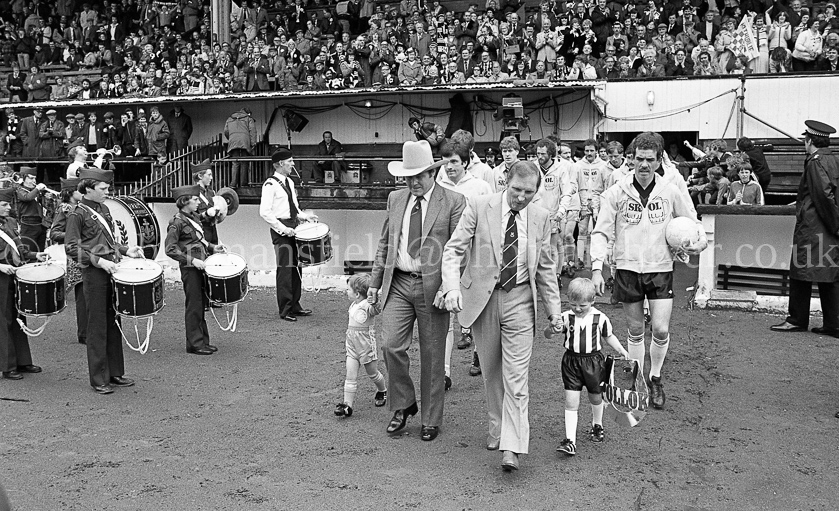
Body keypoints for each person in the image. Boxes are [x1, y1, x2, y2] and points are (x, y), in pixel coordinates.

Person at [442, 160, 562, 471]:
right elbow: (454, 250)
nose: (522, 197)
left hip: (521, 299)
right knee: (492, 371)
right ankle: (496, 426)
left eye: (529, 192)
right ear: (504, 183)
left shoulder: (541, 217)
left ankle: (513, 445)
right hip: (483, 299)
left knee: (517, 377)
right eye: (516, 190)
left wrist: (554, 310)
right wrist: (452, 287)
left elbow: (547, 267)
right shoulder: (479, 206)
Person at [591, 132, 707, 410]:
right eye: (639, 159)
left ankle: (656, 377)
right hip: (628, 269)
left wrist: (695, 244)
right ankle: (639, 378)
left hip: (660, 268)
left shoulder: (670, 190)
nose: (644, 165)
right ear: (631, 159)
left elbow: (692, 223)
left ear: (658, 161)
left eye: (650, 160)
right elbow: (601, 232)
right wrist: (597, 268)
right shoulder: (616, 192)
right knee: (634, 329)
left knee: (660, 328)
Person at [368, 140, 465, 442]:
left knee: (433, 354)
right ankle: (404, 404)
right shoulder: (396, 199)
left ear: (432, 174)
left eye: (419, 176)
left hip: (433, 288)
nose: (413, 182)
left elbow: (460, 250)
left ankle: (431, 418)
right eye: (408, 176)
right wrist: (373, 284)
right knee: (390, 345)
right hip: (397, 283)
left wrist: (450, 287)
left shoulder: (454, 201)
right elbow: (386, 242)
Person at [65, 167, 145, 394]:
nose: (107, 192)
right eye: (103, 188)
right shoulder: (76, 214)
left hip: (112, 269)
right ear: (88, 189)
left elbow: (108, 241)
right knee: (97, 325)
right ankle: (99, 378)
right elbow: (71, 247)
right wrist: (99, 262)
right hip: (95, 273)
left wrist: (126, 250)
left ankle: (115, 372)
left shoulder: (104, 208)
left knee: (114, 322)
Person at [771, 121, 839, 342]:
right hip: (827, 227)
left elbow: (822, 196)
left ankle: (796, 320)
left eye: (805, 139)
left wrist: (835, 224)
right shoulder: (833, 160)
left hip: (814, 225)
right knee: (830, 275)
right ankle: (833, 324)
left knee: (801, 271)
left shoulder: (815, 163)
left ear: (810, 141)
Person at [436, 139, 492, 390]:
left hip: (475, 254)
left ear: (466, 162)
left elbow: (491, 218)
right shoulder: (437, 186)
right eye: (446, 163)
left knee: (477, 308)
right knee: (446, 310)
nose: (449, 167)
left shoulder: (480, 186)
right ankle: (444, 371)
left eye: (454, 162)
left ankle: (479, 353)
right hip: (447, 254)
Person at [555, 278, 629, 456]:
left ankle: (597, 424)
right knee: (571, 401)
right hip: (571, 362)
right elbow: (550, 333)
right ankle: (570, 440)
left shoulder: (600, 318)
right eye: (573, 304)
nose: (578, 309)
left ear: (593, 301)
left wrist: (621, 350)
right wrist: (552, 328)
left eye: (583, 305)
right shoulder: (566, 317)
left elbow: (608, 336)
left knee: (596, 397)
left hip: (594, 362)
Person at [165, 184, 227, 355]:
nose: (198, 201)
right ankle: (194, 343)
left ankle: (202, 341)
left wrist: (214, 248)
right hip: (190, 268)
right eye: (194, 199)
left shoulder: (194, 217)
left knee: (201, 303)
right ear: (185, 201)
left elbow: (200, 240)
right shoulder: (176, 222)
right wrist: (192, 261)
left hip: (201, 263)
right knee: (194, 304)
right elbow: (170, 249)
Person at [259, 148, 316, 321]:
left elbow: (294, 207)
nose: (293, 164)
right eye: (290, 161)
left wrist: (305, 217)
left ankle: (295, 305)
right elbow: (265, 212)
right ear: (280, 164)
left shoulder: (289, 182)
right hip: (281, 229)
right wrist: (283, 229)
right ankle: (285, 309)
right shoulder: (270, 185)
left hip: (294, 226)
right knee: (285, 269)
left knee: (296, 267)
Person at [0, 186, 48, 380]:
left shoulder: (11, 222)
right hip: (1, 276)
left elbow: (20, 249)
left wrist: (37, 254)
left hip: (15, 274)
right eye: (3, 205)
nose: (8, 208)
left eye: (8, 204)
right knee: (3, 320)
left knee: (19, 317)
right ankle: (7, 365)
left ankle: (23, 360)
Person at [334, 273, 388, 417]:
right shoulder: (354, 304)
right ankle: (347, 405)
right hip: (352, 346)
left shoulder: (366, 305)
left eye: (348, 290)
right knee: (350, 375)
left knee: (373, 373)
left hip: (366, 347)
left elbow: (376, 310)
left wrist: (375, 301)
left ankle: (382, 390)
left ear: (357, 294)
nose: (346, 292)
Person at [49, 177, 87, 344]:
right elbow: (54, 233)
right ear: (71, 192)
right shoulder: (64, 209)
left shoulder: (81, 208)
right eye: (80, 190)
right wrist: (74, 235)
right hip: (75, 255)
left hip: (87, 252)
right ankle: (84, 333)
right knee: (83, 294)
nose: (83, 193)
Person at [15, 166, 47, 252]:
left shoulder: (35, 192)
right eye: (31, 178)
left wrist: (46, 196)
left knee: (40, 251)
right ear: (23, 179)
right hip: (28, 223)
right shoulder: (19, 190)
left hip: (40, 223)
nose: (34, 181)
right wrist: (37, 189)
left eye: (35, 178)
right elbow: (27, 198)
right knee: (30, 251)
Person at [224, 107, 258, 189]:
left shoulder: (230, 119)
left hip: (233, 143)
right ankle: (243, 184)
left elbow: (226, 131)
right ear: (248, 113)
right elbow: (252, 131)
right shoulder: (248, 119)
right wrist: (253, 144)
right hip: (244, 143)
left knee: (235, 163)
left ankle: (233, 184)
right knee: (244, 163)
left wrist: (232, 138)